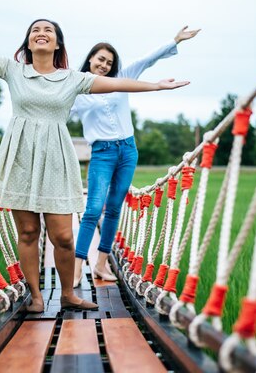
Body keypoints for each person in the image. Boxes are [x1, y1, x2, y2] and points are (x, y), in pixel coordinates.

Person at [0, 19, 189, 312]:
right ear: (28, 43)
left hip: (57, 158)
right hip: (20, 156)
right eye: (35, 31)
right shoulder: (13, 70)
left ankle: (68, 294)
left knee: (63, 236)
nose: (41, 34)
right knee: (28, 232)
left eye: (48, 31)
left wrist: (156, 86)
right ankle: (37, 297)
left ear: (57, 45)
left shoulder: (73, 79)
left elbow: (119, 83)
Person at [71, 26, 200, 286]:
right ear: (90, 59)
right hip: (102, 153)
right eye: (100, 59)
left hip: (128, 151)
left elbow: (146, 60)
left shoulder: (122, 77)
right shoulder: (76, 87)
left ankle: (101, 264)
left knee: (114, 209)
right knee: (94, 209)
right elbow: (57, 111)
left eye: (109, 61)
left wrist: (174, 40)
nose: (105, 65)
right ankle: (76, 270)